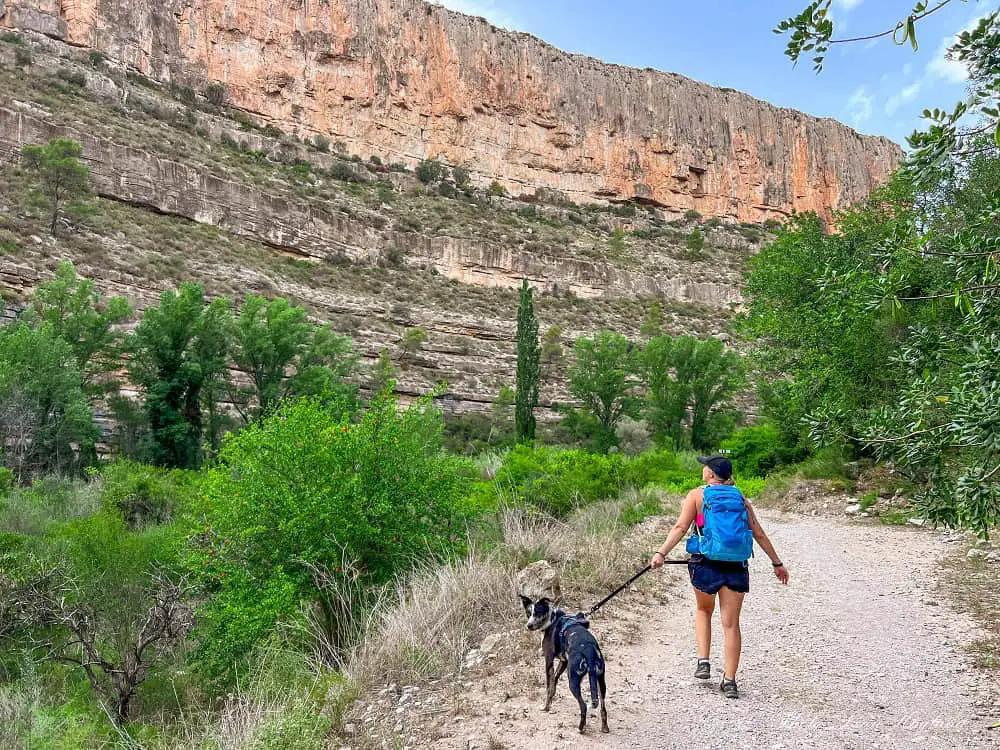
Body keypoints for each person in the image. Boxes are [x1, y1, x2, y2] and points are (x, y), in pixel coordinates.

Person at [649, 455, 789, 699]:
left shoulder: (697, 495)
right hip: (735, 565)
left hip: (705, 563)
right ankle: (730, 680)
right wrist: (777, 563)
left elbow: (680, 527)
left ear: (711, 474)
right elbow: (758, 532)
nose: (703, 469)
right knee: (731, 624)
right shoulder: (740, 498)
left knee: (704, 610)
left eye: (706, 466)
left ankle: (703, 661)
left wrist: (661, 553)